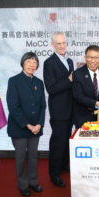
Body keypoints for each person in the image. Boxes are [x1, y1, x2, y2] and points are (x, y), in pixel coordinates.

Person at [6, 52, 46, 196]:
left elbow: (43, 106)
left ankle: (33, 182)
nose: (31, 64)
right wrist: (28, 125)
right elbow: (13, 107)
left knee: (33, 156)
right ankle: (23, 185)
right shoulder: (14, 81)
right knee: (21, 157)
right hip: (20, 128)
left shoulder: (39, 83)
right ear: (23, 63)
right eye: (29, 61)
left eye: (34, 62)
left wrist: (39, 125)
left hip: (36, 128)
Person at [43, 32, 74, 187]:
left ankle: (64, 165)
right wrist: (68, 80)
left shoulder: (69, 60)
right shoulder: (49, 62)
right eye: (58, 43)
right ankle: (54, 174)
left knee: (67, 140)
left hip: (70, 109)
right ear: (52, 45)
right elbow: (51, 88)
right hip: (58, 111)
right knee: (57, 142)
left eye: (64, 43)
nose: (62, 46)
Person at [72, 45, 99, 127]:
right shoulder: (77, 74)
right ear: (85, 58)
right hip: (83, 118)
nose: (93, 61)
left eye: (97, 58)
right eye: (90, 57)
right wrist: (95, 103)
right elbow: (78, 96)